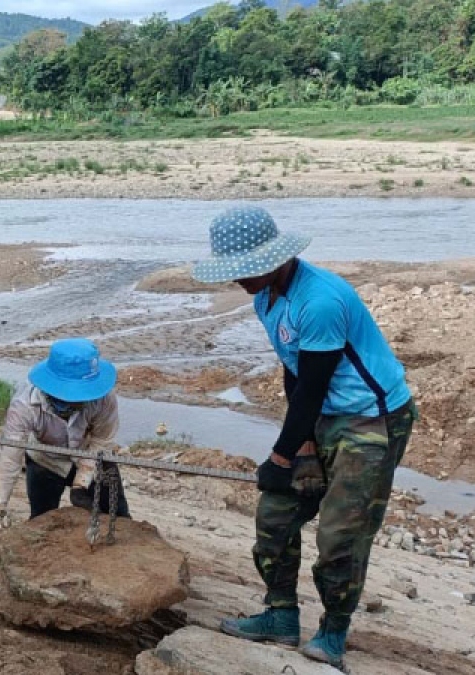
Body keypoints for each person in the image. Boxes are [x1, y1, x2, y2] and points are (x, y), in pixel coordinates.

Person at [192, 206, 416, 671]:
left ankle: (333, 632)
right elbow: (295, 374)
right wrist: (304, 449)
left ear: (276, 258)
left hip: (371, 421)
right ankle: (281, 616)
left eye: (246, 270)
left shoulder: (319, 301)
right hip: (322, 416)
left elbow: (314, 387)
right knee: (275, 514)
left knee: (341, 535)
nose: (238, 280)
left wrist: (279, 458)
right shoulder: (266, 298)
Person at [0, 338, 130, 572]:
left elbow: (101, 440)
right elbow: (8, 460)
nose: (74, 402)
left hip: (91, 457)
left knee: (119, 517)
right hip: (44, 460)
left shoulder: (104, 398)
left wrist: (82, 481)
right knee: (42, 522)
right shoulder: (25, 405)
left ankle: (122, 568)